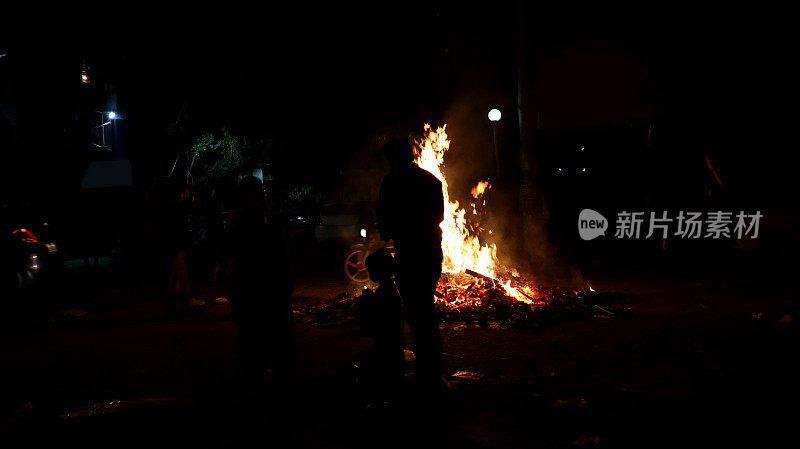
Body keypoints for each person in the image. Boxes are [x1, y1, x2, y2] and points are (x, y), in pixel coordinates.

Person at [376, 137, 444, 392]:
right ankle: (432, 373)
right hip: (430, 254)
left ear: (393, 157)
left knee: (416, 314)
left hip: (410, 255)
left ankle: (425, 376)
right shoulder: (431, 181)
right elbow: (439, 217)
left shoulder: (391, 182)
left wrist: (391, 229)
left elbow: (384, 223)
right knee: (426, 311)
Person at [226, 176, 295, 385]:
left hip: (249, 281)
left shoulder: (243, 217)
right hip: (257, 281)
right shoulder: (258, 219)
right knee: (261, 329)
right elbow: (278, 252)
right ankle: (262, 370)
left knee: (251, 330)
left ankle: (256, 369)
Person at [358, 248, 404, 405]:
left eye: (371, 270)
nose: (369, 274)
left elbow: (378, 320)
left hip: (387, 345)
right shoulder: (389, 289)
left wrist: (367, 302)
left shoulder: (387, 292)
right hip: (391, 345)